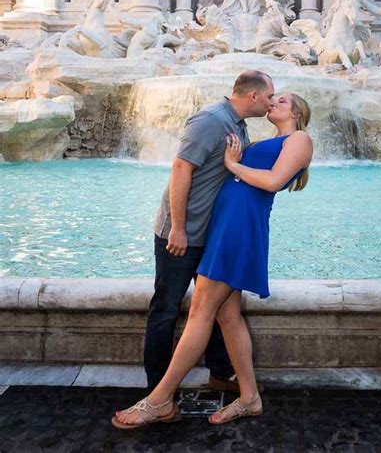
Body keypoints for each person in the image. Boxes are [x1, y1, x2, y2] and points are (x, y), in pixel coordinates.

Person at [112, 92, 313, 429]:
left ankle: (158, 399)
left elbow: (274, 182)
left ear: (297, 112)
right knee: (227, 314)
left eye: (281, 101)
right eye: (272, 98)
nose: (273, 103)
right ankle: (249, 397)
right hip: (225, 225)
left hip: (240, 228)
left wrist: (234, 165)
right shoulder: (269, 138)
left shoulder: (300, 138)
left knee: (201, 309)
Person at [143, 70, 276, 394]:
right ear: (253, 96)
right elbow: (180, 168)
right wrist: (177, 227)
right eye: (270, 96)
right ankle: (157, 390)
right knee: (166, 308)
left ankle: (219, 372)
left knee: (218, 307)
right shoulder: (211, 120)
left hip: (211, 233)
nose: (272, 102)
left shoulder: (238, 126)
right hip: (181, 234)